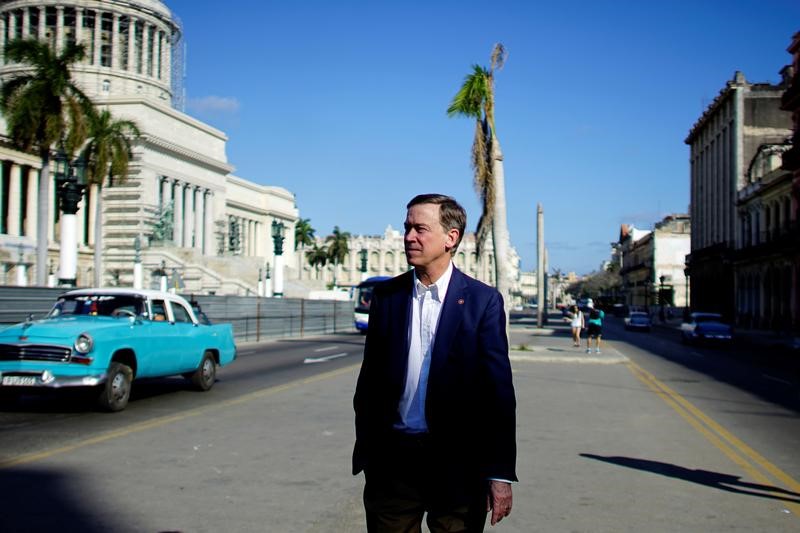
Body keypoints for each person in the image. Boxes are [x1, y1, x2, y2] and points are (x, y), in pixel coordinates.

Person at [353, 194, 517, 532]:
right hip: (393, 465)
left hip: (458, 466)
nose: (409, 236)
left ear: (450, 238)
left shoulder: (482, 301)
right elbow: (369, 382)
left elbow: (498, 393)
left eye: (420, 229)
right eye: (407, 228)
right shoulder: (387, 297)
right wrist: (371, 452)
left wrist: (499, 473)